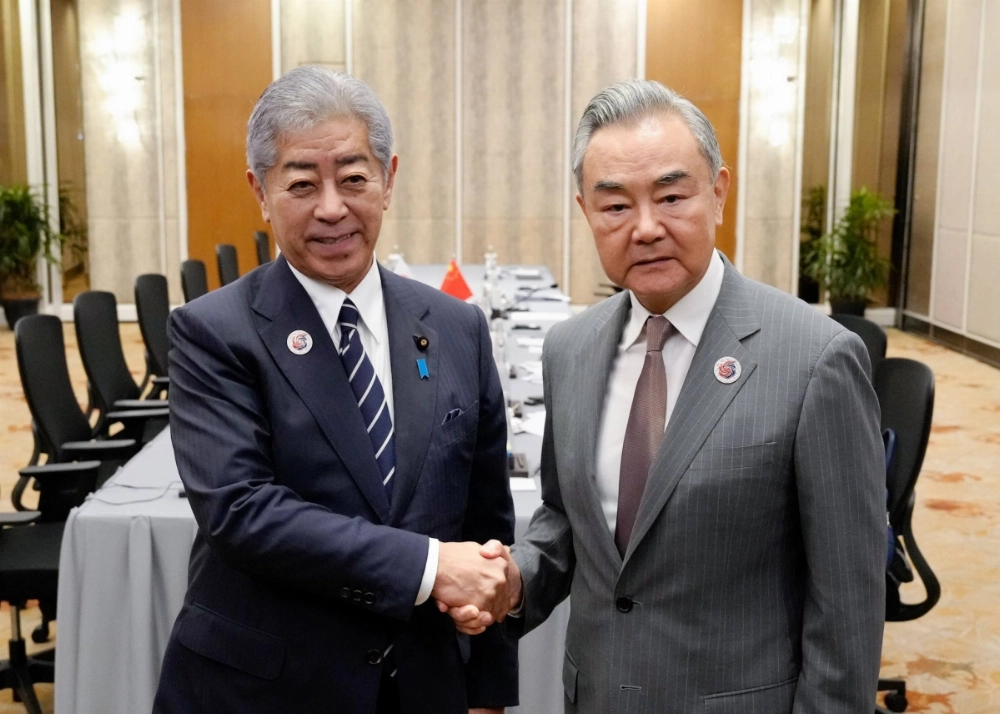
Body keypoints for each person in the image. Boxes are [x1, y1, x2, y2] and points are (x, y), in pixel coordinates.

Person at [455, 79, 886, 712]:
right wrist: (514, 581)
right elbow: (564, 521)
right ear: (585, 212)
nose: (646, 227)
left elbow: (847, 606)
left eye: (672, 196)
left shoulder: (814, 359)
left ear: (718, 192)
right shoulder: (569, 350)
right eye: (615, 206)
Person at [153, 67, 518, 714]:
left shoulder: (458, 327)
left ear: (389, 180)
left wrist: (488, 689)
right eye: (301, 184)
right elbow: (242, 512)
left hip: (423, 686)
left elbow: (487, 523)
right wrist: (430, 567)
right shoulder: (213, 333)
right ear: (259, 191)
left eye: (353, 178)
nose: (331, 207)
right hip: (263, 691)